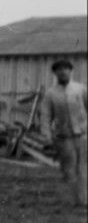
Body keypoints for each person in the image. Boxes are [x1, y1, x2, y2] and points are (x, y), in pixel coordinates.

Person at [41, 59, 87, 208]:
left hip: (82, 135)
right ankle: (76, 200)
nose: (63, 72)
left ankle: (83, 200)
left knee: (83, 168)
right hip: (64, 138)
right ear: (55, 73)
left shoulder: (80, 89)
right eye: (59, 70)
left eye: (66, 69)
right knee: (69, 170)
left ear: (71, 71)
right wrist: (47, 136)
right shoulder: (51, 94)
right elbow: (46, 116)